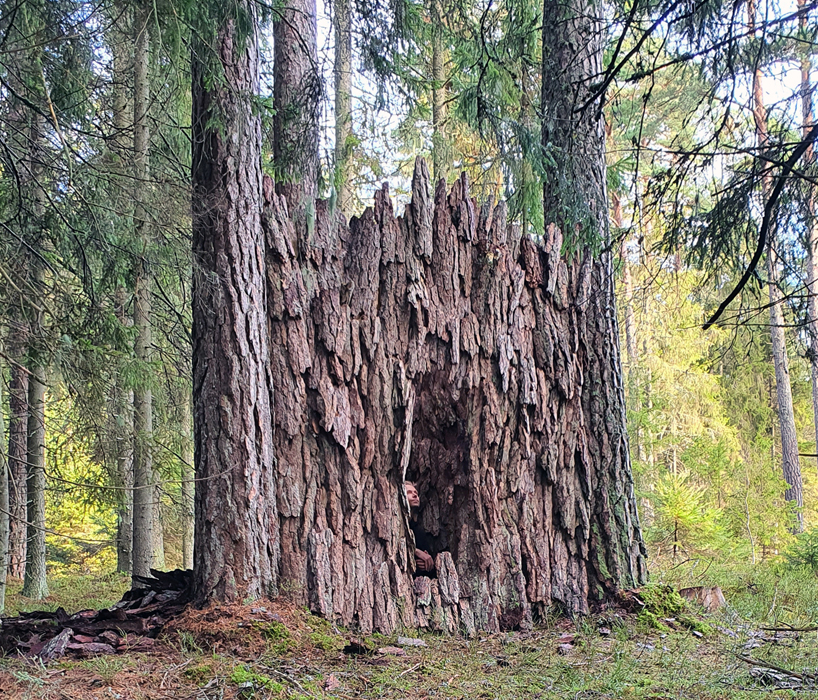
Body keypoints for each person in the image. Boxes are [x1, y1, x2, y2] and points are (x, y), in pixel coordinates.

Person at [404, 481, 435, 574]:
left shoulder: (418, 530)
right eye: (409, 492)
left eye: (416, 493)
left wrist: (426, 564)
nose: (415, 496)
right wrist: (416, 551)